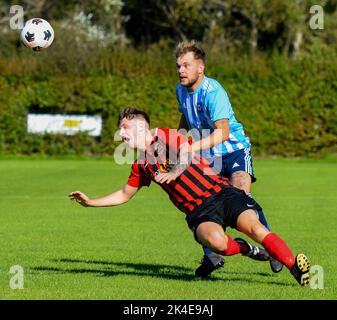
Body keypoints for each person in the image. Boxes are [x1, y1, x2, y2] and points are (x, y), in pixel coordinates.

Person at [69, 107, 311, 287]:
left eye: (124, 127)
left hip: (221, 193)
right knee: (218, 243)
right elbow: (124, 194)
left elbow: (185, 152)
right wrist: (90, 202)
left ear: (141, 127)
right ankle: (247, 249)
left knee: (257, 229)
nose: (120, 133)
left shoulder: (165, 135)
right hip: (199, 212)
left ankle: (295, 268)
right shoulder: (140, 164)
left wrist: (174, 172)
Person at [174, 40, 283, 277]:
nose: (181, 70)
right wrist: (179, 143)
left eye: (186, 65)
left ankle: (272, 248)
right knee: (202, 201)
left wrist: (191, 147)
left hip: (233, 149)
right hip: (207, 153)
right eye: (178, 66)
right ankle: (211, 257)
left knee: (242, 195)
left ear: (200, 68)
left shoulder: (214, 92)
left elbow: (222, 133)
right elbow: (185, 119)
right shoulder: (180, 90)